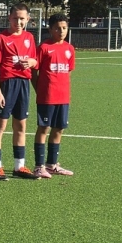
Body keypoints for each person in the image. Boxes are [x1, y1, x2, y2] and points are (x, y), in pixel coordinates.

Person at [0, 4, 40, 179]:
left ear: (28, 19)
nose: (18, 22)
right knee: (0, 126)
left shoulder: (29, 38)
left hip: (23, 84)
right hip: (7, 85)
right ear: (9, 18)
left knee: (21, 125)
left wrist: (32, 62)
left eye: (22, 19)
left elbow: (34, 61)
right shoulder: (1, 38)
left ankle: (19, 167)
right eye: (15, 18)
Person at [33, 14, 77, 177]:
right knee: (44, 128)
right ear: (50, 29)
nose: (61, 31)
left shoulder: (69, 49)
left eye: (64, 28)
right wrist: (40, 89)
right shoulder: (44, 47)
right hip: (47, 96)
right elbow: (33, 72)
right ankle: (39, 166)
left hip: (63, 97)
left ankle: (51, 164)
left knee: (59, 129)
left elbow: (68, 72)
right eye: (58, 28)